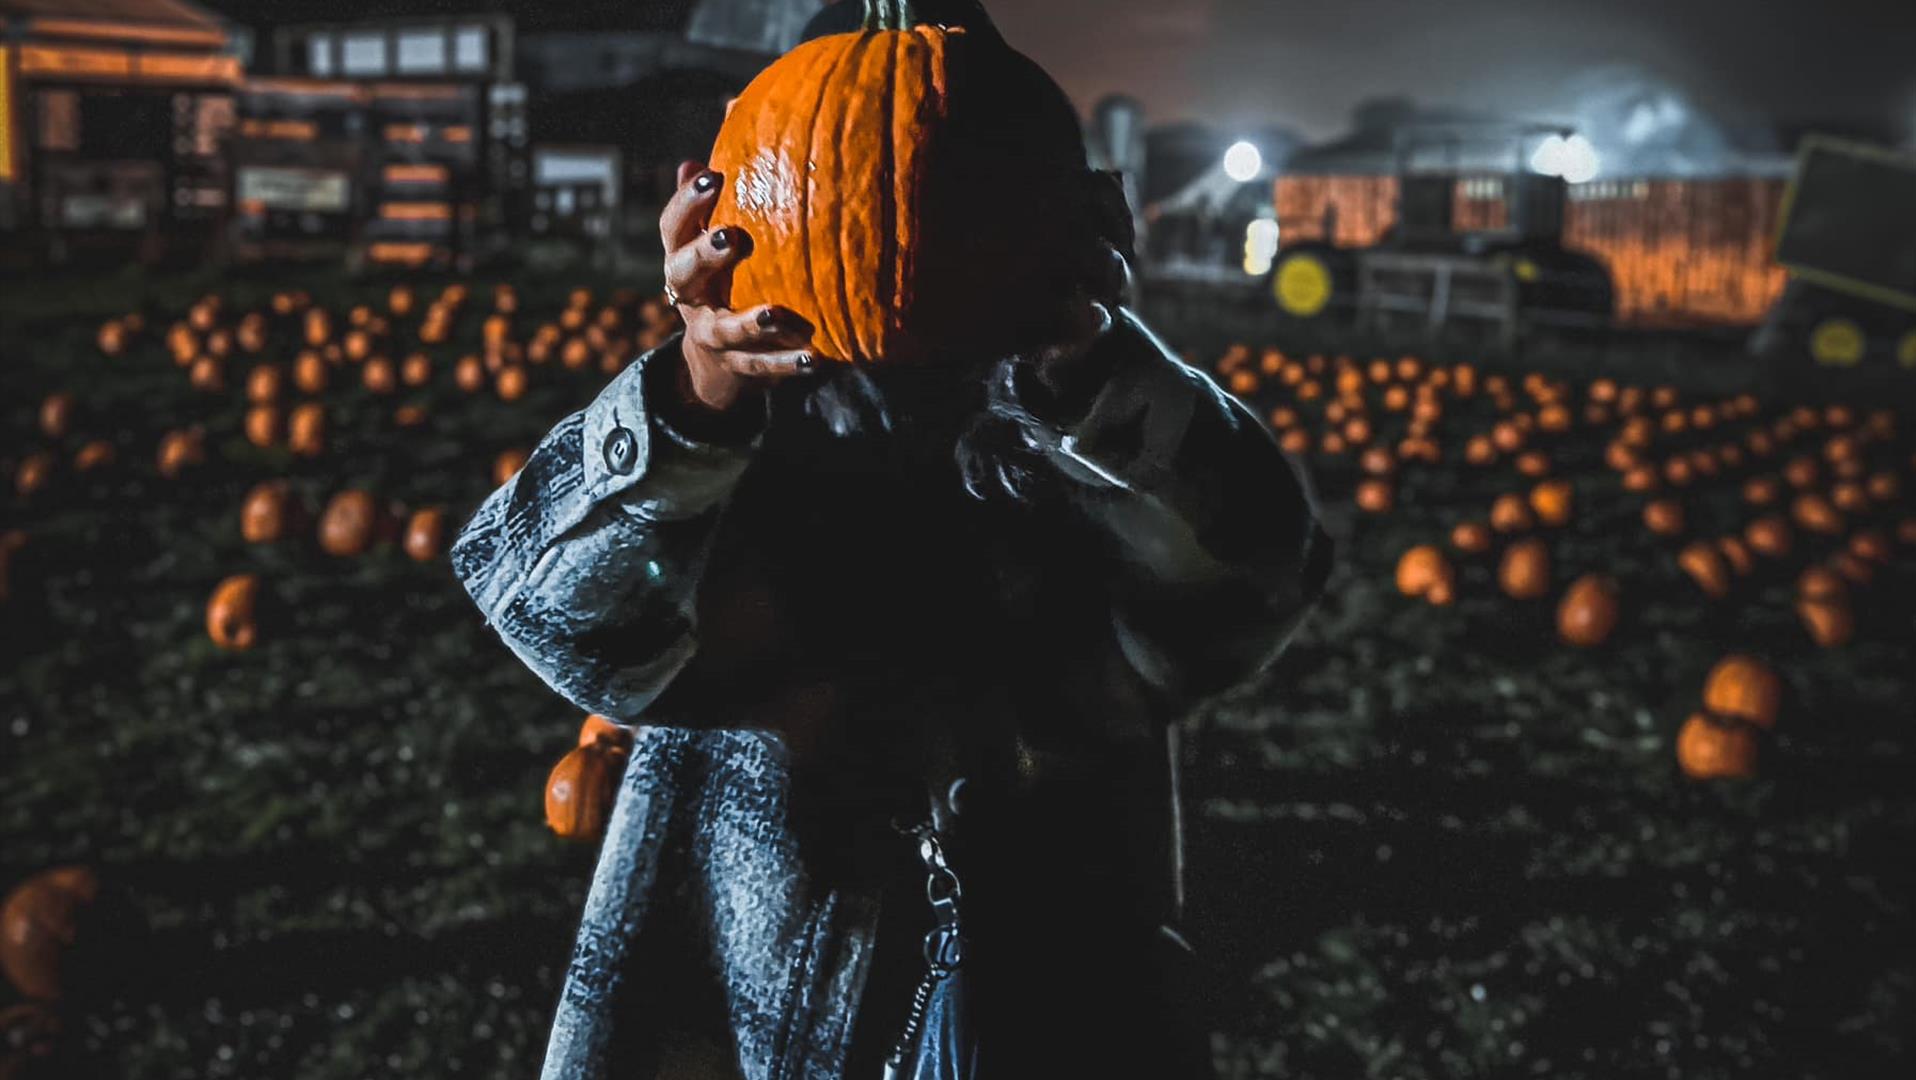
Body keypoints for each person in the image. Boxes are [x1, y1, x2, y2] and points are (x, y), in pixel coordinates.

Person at [452, 8, 1331, 1078]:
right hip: (739, 1002)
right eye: (830, 155)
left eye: (948, 164)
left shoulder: (1074, 444)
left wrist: (1092, 366)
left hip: (1044, 994)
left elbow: (1254, 581)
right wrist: (696, 395)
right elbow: (558, 621)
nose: (890, 191)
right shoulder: (724, 440)